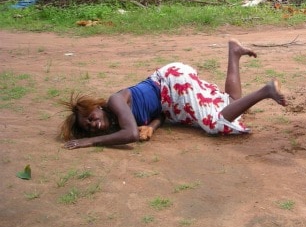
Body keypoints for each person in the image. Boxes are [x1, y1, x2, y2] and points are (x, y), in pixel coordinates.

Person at [60, 39, 287, 149]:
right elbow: (159, 116)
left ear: (97, 108)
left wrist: (90, 142)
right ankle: (234, 53)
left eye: (91, 118)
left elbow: (130, 135)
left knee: (215, 122)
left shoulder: (116, 101)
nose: (94, 124)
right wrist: (152, 126)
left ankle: (266, 90)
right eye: (89, 127)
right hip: (169, 97)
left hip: (170, 83)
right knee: (231, 104)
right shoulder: (119, 120)